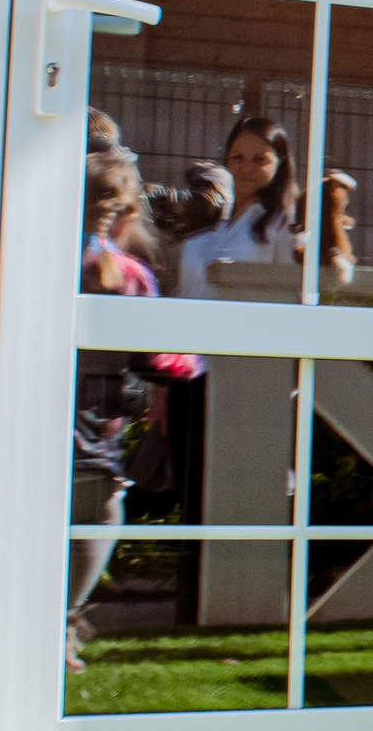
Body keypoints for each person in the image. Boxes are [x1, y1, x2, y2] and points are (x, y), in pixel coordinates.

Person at [68, 150, 202, 668]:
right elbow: (156, 358)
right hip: (92, 437)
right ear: (125, 216)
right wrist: (191, 359)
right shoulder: (126, 273)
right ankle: (63, 621)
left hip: (30, 426)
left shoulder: (26, 260)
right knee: (98, 521)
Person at [174, 116, 301, 299]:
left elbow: (290, 292)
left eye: (259, 159)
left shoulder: (284, 222)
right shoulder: (208, 211)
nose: (246, 168)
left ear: (280, 162)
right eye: (238, 157)